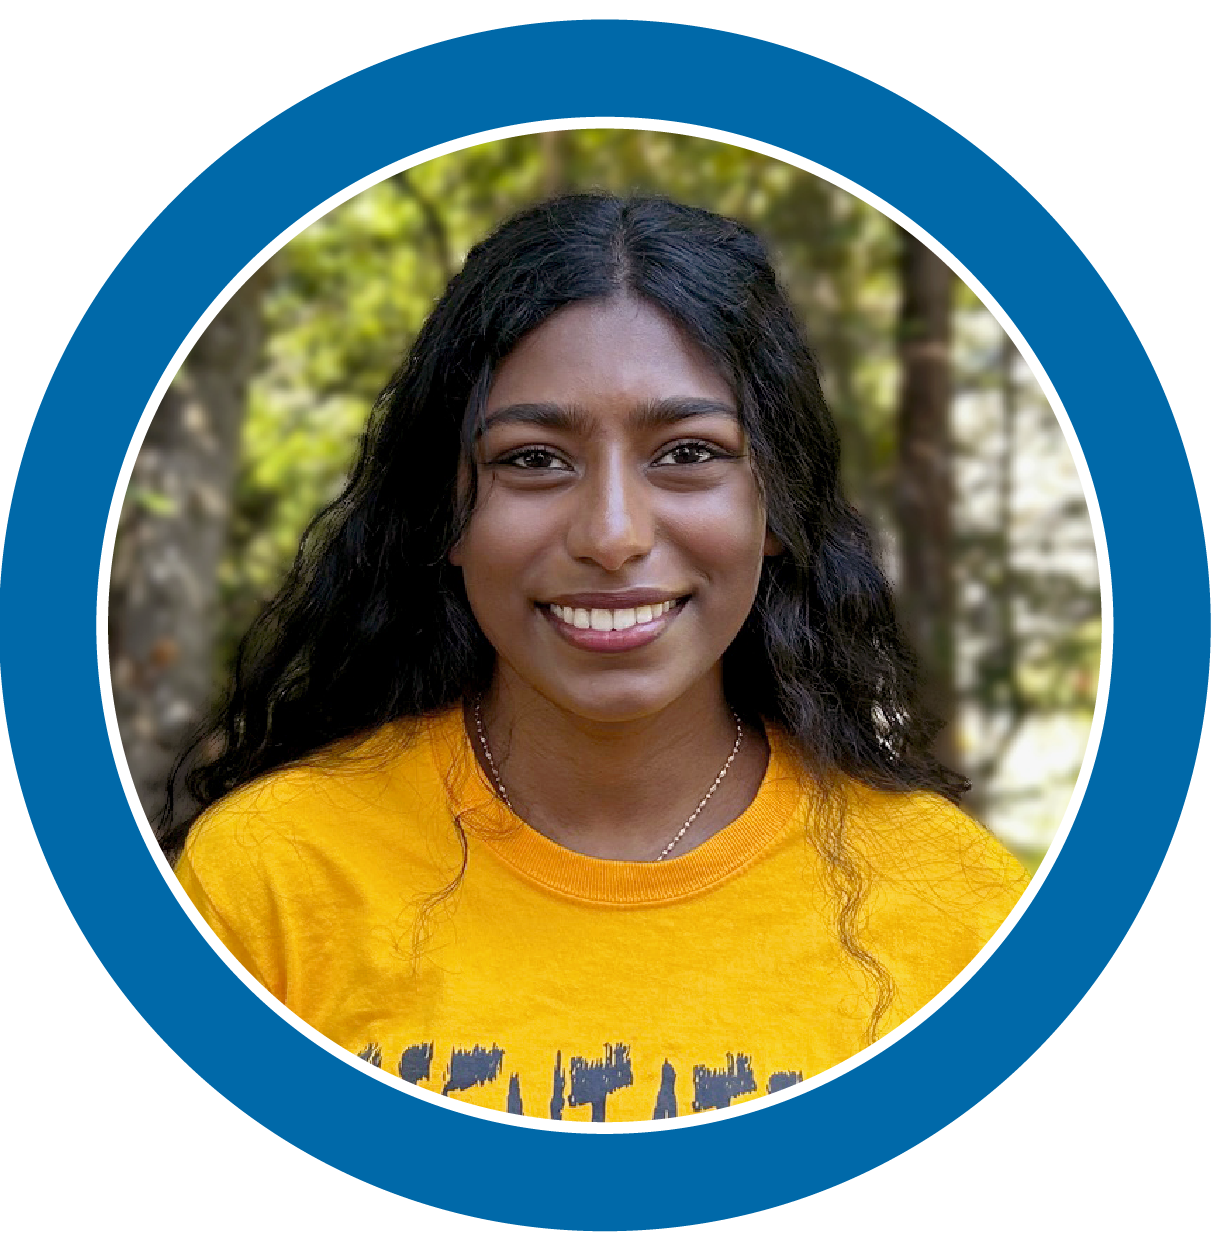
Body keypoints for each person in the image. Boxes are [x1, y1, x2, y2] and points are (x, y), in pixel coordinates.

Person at [168, 193, 1029, 1123]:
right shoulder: (272, 881)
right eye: (534, 460)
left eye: (689, 452)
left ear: (774, 507)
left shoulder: (965, 916)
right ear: (445, 516)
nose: (613, 535)